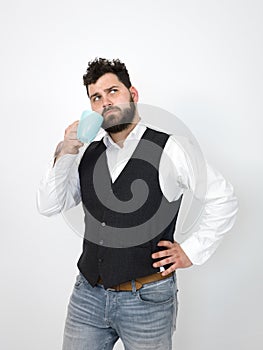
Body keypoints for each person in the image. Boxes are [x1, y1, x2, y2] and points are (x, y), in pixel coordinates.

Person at [37, 58, 238, 350]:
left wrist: (192, 251)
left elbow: (224, 197)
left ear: (133, 94)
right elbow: (49, 204)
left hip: (147, 300)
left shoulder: (171, 148)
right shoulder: (87, 154)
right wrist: (66, 151)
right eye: (97, 97)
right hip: (87, 297)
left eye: (113, 91)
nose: (105, 102)